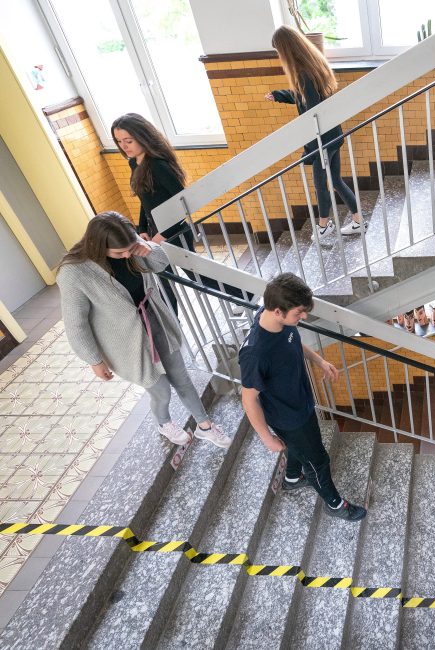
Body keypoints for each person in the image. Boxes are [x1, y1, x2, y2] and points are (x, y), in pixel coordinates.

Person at [59, 212, 231, 448]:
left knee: (182, 379)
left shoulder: (134, 250)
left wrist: (149, 248)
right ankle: (164, 422)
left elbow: (161, 264)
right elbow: (75, 323)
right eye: (119, 253)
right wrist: (94, 360)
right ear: (97, 245)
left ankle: (205, 426)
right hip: (127, 342)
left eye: (130, 248)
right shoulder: (74, 273)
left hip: (156, 322)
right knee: (160, 390)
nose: (127, 255)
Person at [239, 272, 366, 521]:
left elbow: (293, 342)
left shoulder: (279, 322)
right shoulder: (255, 352)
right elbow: (248, 400)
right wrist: (267, 438)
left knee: (302, 450)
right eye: (299, 312)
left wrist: (320, 361)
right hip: (289, 417)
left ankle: (292, 477)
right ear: (277, 310)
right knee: (318, 460)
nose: (304, 316)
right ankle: (335, 504)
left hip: (301, 402)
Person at [111, 113, 250, 314]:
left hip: (173, 233)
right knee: (164, 280)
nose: (124, 146)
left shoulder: (158, 165)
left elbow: (183, 204)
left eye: (128, 140)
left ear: (143, 137)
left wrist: (163, 235)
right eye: (119, 142)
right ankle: (172, 321)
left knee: (197, 276)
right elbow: (145, 201)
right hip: (154, 233)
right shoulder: (134, 163)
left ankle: (246, 297)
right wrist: (142, 229)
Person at [265, 25, 365, 237]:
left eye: (279, 52)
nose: (279, 56)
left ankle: (323, 225)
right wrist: (280, 95)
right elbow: (305, 98)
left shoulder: (303, 74)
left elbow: (313, 116)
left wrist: (309, 150)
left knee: (320, 184)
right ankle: (358, 221)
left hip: (323, 140)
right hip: (333, 135)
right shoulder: (312, 66)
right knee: (335, 181)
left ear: (287, 50)